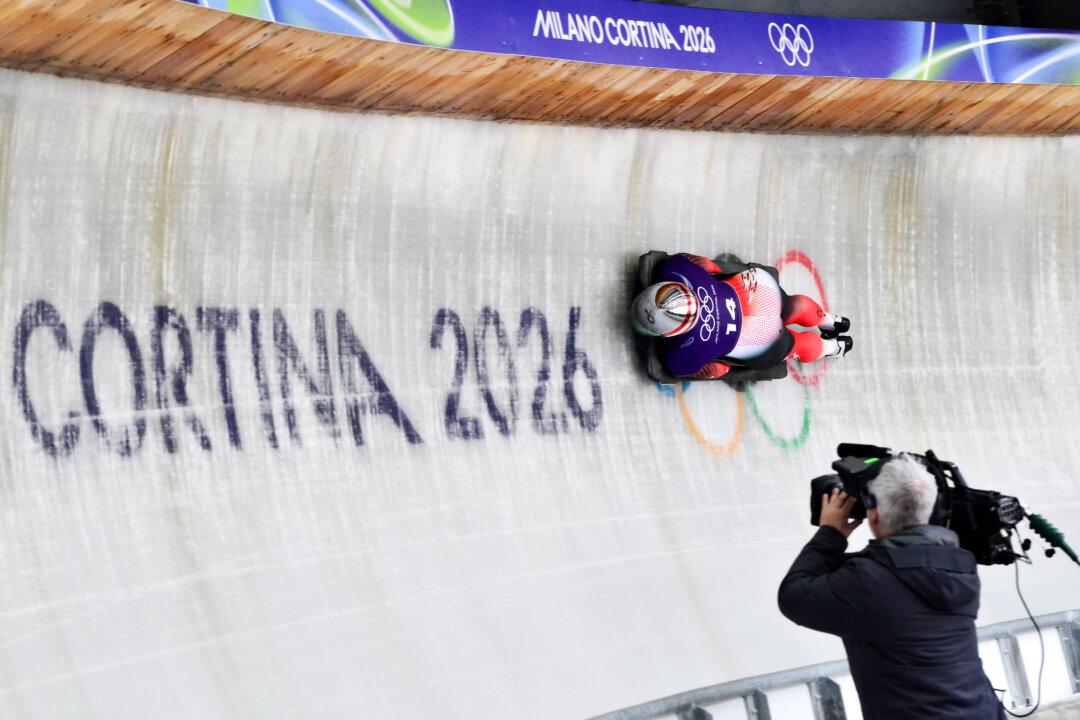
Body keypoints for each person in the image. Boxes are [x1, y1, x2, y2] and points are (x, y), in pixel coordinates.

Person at [778, 455, 1004, 720]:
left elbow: (794, 595)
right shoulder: (960, 565)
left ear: (873, 516)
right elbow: (897, 569)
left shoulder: (866, 582)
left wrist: (831, 533)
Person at [630, 252, 852, 380]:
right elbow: (707, 265)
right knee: (793, 305)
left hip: (761, 339)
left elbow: (717, 370)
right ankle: (831, 321)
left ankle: (832, 348)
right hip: (758, 288)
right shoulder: (675, 269)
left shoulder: (681, 355)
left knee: (794, 344)